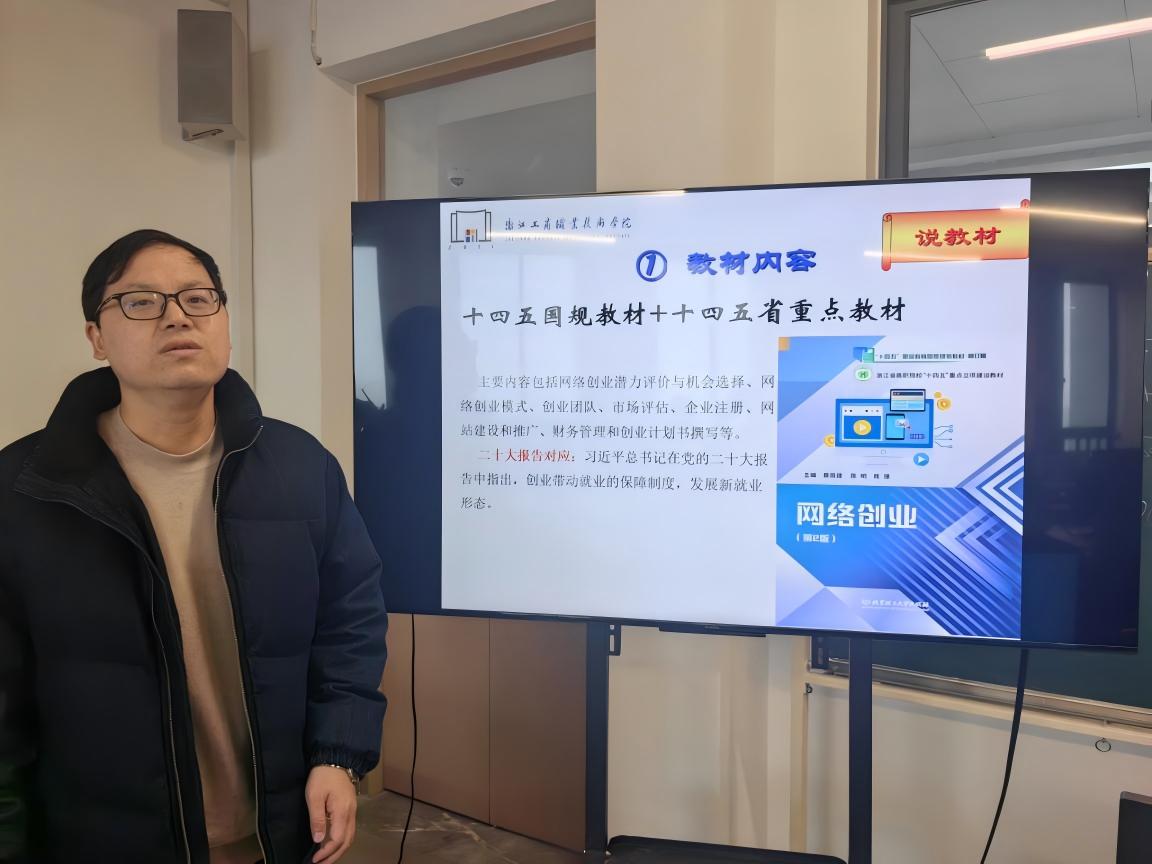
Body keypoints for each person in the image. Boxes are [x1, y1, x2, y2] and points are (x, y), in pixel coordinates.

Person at [0, 230, 388, 864]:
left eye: (198, 297)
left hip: (277, 834)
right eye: (141, 302)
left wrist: (337, 755)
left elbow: (350, 622)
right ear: (97, 337)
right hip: (105, 840)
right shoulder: (27, 489)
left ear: (224, 323)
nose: (178, 316)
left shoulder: (299, 467)